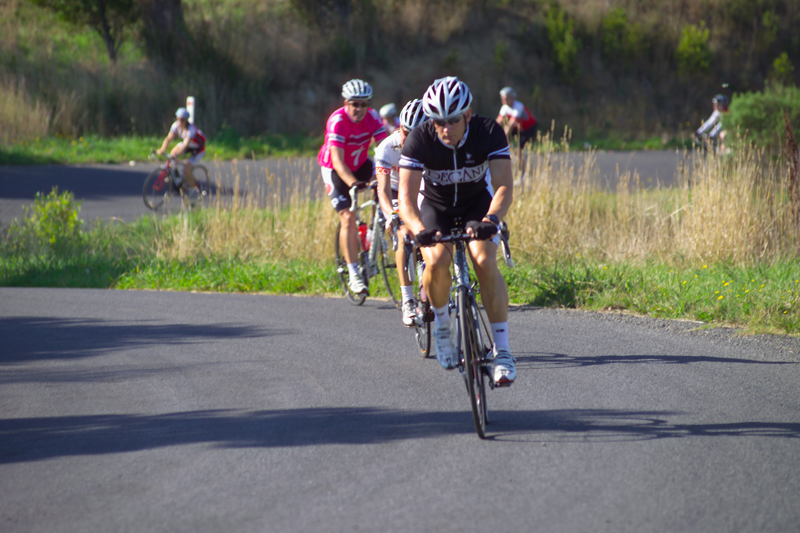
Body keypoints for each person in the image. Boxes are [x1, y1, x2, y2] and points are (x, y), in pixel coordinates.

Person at [399, 76, 516, 385]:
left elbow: (504, 186)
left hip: (477, 206)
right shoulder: (419, 139)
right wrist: (418, 229)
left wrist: (491, 219)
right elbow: (406, 200)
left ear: (467, 114)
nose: (445, 128)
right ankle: (442, 327)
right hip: (435, 207)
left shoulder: (488, 132)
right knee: (436, 260)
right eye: (438, 121)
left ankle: (502, 352)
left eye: (453, 120)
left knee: (484, 261)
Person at [318, 79, 388, 296]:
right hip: (336, 170)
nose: (359, 109)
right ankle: (354, 273)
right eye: (354, 104)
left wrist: (385, 178)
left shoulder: (373, 117)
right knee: (348, 217)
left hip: (361, 164)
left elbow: (385, 150)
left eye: (364, 104)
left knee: (384, 190)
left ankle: (375, 236)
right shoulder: (337, 121)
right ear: (346, 103)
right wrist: (353, 184)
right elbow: (338, 161)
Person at [374, 99, 428, 327]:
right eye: (406, 132)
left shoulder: (434, 146)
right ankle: (407, 300)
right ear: (399, 127)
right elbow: (383, 190)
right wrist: (391, 215)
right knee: (404, 235)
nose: (409, 140)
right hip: (397, 192)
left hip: (423, 190)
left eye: (416, 135)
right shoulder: (387, 147)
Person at [156, 107, 206, 192]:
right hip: (188, 145)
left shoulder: (191, 129)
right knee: (172, 154)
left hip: (198, 149)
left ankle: (193, 188)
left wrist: (178, 154)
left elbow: (186, 144)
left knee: (186, 169)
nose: (179, 122)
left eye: (182, 120)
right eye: (177, 119)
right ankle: (177, 178)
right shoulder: (176, 125)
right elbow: (168, 138)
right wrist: (162, 149)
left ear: (186, 120)